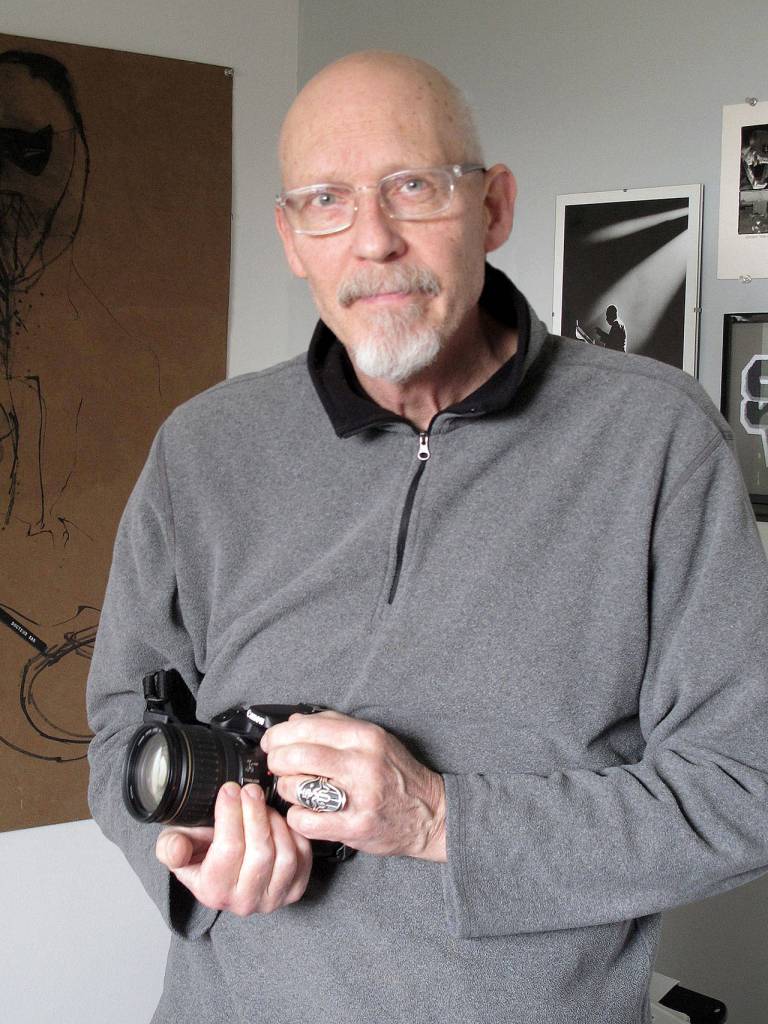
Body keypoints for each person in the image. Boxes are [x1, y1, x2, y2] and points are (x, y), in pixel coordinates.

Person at [87, 51, 768, 1024]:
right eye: (327, 199)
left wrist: (442, 818)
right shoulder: (201, 449)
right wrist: (190, 859)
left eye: (413, 187)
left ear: (492, 207)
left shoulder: (655, 441)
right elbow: (121, 725)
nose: (374, 239)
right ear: (291, 235)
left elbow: (747, 787)